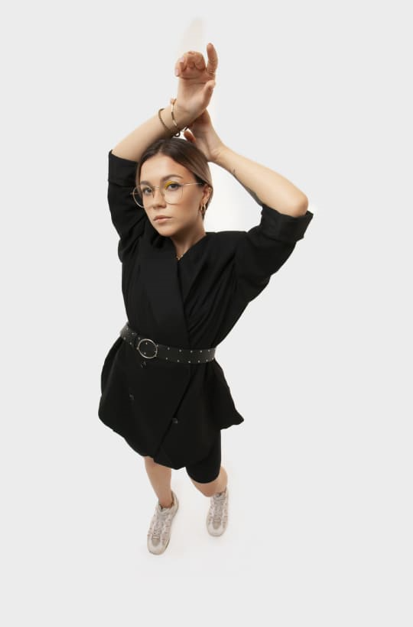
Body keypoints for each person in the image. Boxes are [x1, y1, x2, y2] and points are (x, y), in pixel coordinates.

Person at [98, 43, 314, 555]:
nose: (156, 201)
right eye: (147, 191)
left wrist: (216, 151)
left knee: (204, 471)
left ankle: (218, 494)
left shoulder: (236, 258)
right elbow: (120, 160)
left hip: (191, 387)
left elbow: (291, 207)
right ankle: (165, 505)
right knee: (150, 454)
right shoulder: (138, 238)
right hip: (133, 372)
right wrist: (177, 114)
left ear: (204, 193)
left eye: (172, 186)